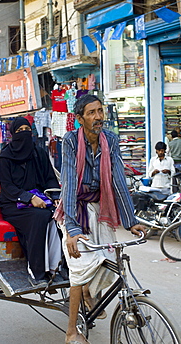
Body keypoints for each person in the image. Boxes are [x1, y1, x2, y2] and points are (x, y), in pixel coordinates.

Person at [54, 94, 145, 344]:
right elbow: (70, 184)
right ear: (80, 118)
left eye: (100, 111)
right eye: (92, 112)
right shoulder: (71, 141)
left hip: (100, 207)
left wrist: (130, 220)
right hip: (75, 210)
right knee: (80, 268)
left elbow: (118, 181)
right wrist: (71, 229)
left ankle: (89, 293)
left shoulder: (111, 140)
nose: (98, 117)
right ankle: (71, 331)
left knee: (109, 257)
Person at [0, 117, 62, 288]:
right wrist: (28, 198)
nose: (24, 133)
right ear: (13, 134)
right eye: (20, 131)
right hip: (13, 204)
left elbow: (49, 177)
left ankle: (57, 267)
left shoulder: (38, 153)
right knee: (39, 217)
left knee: (57, 216)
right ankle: (37, 271)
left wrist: (55, 197)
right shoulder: (5, 157)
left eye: (27, 129)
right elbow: (7, 187)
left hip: (40, 200)